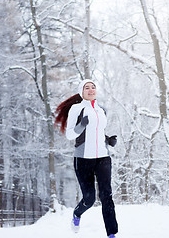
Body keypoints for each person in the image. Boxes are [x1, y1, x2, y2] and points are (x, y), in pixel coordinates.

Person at [54, 79, 118, 238]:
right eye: (87, 88)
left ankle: (112, 234)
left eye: (93, 87)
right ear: (81, 91)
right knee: (89, 199)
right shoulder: (77, 108)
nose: (91, 90)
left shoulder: (102, 110)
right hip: (83, 159)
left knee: (106, 196)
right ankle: (77, 214)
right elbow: (70, 135)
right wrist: (81, 125)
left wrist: (108, 140)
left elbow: (97, 132)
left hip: (103, 157)